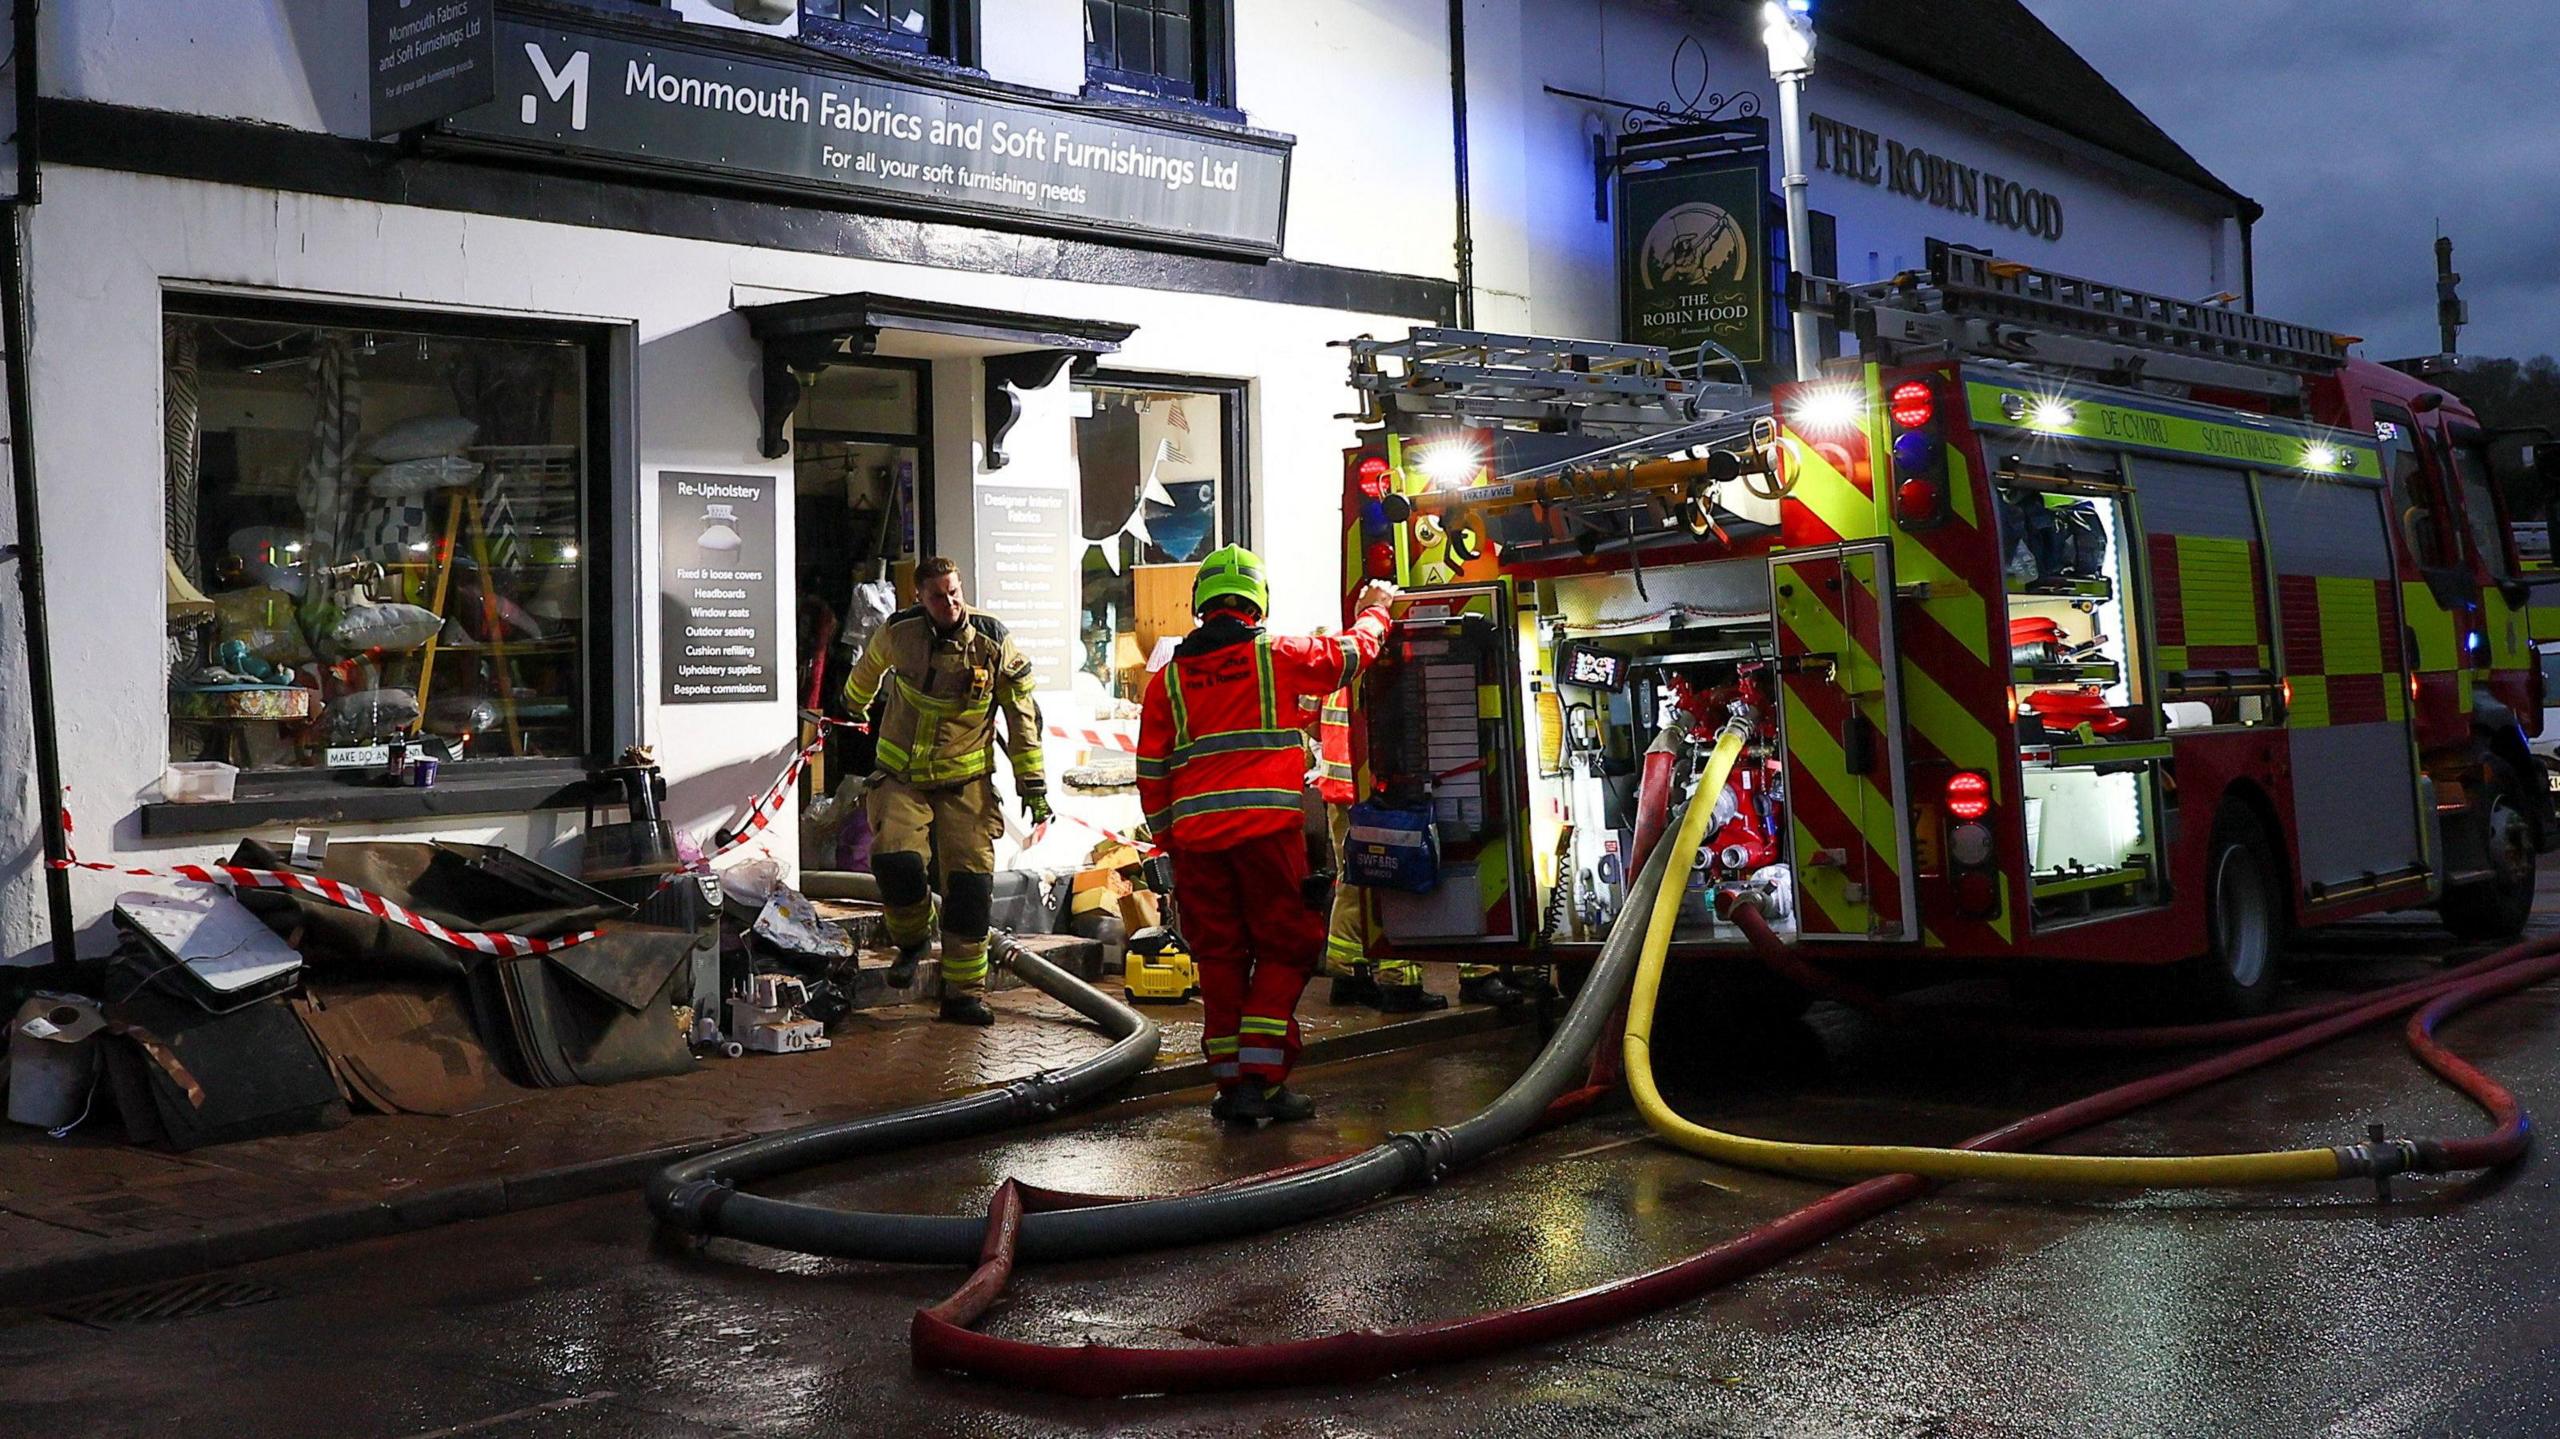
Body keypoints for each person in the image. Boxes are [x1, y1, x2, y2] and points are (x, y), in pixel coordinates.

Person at [1138, 546, 1394, 1122]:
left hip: (1198, 846)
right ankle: (1260, 1076)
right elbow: (1349, 656)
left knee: (1221, 958)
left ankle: (1236, 1087)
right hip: (1267, 836)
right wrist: (1377, 608)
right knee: (1287, 948)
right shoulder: (1276, 656)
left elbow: (1150, 774)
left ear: (1200, 603)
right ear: (1258, 602)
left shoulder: (1167, 683)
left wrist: (1168, 845)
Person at [840, 557, 1047, 1026]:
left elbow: (1022, 719)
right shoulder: (899, 633)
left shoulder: (994, 642)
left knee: (970, 886)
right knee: (896, 860)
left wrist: (1033, 788)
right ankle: (912, 939)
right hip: (901, 777)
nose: (950, 602)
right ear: (919, 598)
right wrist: (853, 704)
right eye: (938, 595)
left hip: (966, 784)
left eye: (954, 592)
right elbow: (866, 672)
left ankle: (962, 995)